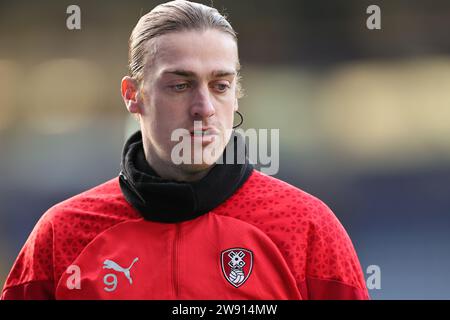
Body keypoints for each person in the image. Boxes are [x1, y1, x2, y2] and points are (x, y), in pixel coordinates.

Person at [1, 0, 369, 300]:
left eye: (221, 85)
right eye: (180, 85)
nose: (204, 107)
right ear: (133, 96)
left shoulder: (307, 229)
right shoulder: (61, 236)